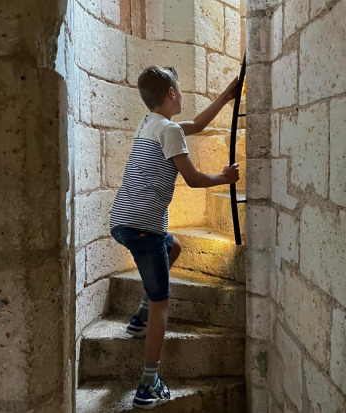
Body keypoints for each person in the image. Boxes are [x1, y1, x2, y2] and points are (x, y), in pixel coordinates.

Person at [109, 65, 240, 410]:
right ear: (171, 93)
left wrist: (227, 96)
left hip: (122, 222)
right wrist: (224, 177)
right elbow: (194, 179)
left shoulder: (149, 125)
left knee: (175, 246)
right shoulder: (168, 131)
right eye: (179, 90)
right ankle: (148, 384)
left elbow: (196, 125)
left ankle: (139, 317)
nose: (181, 94)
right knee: (161, 303)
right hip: (143, 226)